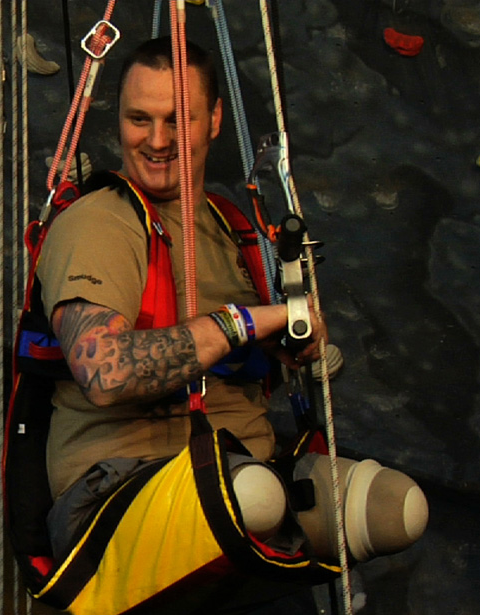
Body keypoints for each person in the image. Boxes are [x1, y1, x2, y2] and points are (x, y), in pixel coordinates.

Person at [36, 37, 427, 567]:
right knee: (254, 499)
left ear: (215, 120)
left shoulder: (231, 225)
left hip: (243, 463)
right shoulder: (99, 222)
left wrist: (293, 338)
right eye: (139, 119)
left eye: (179, 119)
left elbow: (260, 342)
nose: (157, 140)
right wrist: (240, 322)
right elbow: (105, 374)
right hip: (119, 484)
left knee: (397, 508)